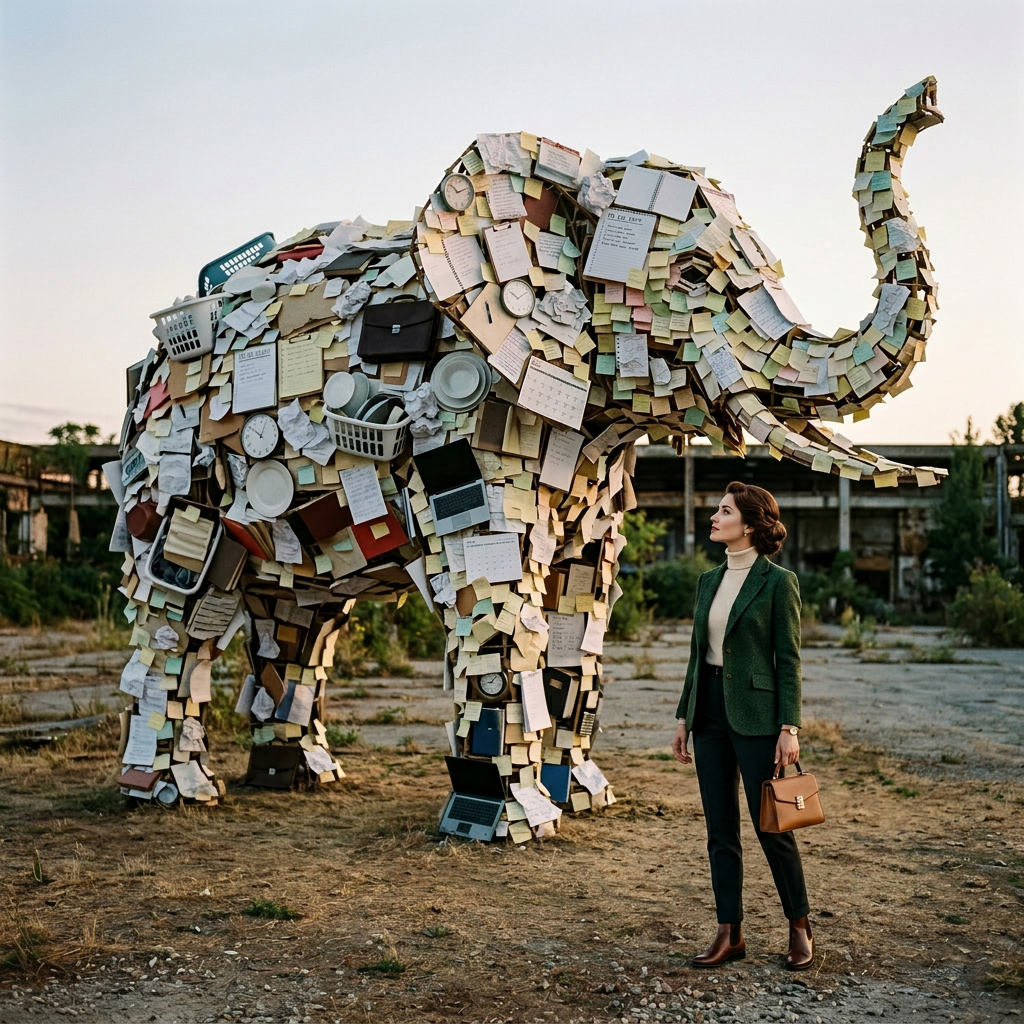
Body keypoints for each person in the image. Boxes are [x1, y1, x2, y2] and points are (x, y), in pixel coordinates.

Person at [670, 481, 813, 970]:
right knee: (720, 829)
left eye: (725, 511)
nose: (714, 517)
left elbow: (788, 659)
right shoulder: (707, 581)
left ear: (749, 525)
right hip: (709, 712)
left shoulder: (778, 582)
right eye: (718, 510)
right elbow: (697, 655)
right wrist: (685, 716)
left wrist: (789, 726)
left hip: (757, 716)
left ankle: (799, 926)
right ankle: (729, 932)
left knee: (772, 825)